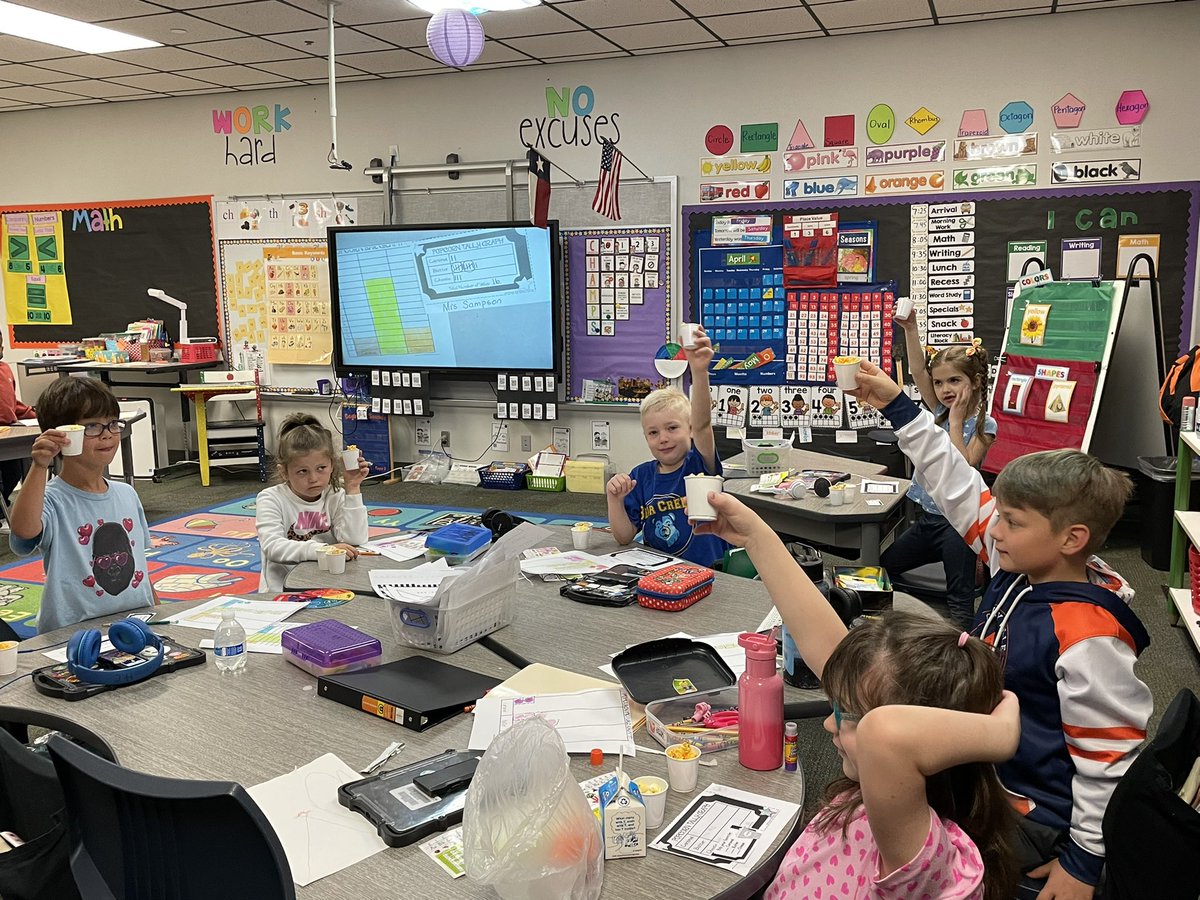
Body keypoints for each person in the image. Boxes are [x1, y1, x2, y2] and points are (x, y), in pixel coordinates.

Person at [847, 359, 1151, 899]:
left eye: (1012, 520)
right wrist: (899, 406)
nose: (995, 527)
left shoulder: (1088, 633)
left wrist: (1083, 861)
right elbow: (957, 483)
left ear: (1071, 538)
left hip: (1038, 820)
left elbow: (1109, 757)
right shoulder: (1022, 561)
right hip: (995, 779)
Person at [695, 492, 1020, 899]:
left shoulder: (921, 858)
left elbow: (883, 733)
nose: (829, 722)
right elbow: (832, 654)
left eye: (848, 715)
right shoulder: (878, 796)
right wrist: (757, 536)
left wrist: (1003, 735)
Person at [10, 377, 157, 633]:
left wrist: (158, 611)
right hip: (72, 631)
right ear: (62, 434)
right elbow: (23, 531)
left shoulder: (126, 494)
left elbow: (140, 568)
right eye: (92, 426)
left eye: (112, 423)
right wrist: (39, 466)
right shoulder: (52, 498)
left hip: (133, 621)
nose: (107, 435)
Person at [887, 323, 997, 629]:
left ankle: (965, 661)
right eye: (939, 383)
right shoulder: (938, 409)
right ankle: (917, 622)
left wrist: (956, 421)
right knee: (887, 567)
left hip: (959, 527)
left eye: (954, 381)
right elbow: (917, 370)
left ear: (975, 381)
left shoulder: (985, 425)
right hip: (929, 520)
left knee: (959, 601)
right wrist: (910, 329)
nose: (945, 389)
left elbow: (962, 469)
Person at [605, 325, 729, 567]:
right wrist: (614, 499)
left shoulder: (698, 464)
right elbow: (623, 537)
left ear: (689, 429)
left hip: (709, 573)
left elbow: (703, 425)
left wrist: (699, 371)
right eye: (653, 432)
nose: (662, 438)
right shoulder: (640, 476)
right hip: (660, 576)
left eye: (672, 428)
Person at [256, 414, 369, 592]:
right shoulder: (271, 498)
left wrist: (353, 488)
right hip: (284, 590)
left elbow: (355, 541)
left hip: (328, 584)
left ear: (332, 465)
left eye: (321, 468)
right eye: (302, 471)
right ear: (284, 472)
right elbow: (273, 547)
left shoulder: (335, 495)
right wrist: (323, 550)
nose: (313, 479)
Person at [0, 347, 36, 527]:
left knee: (14, 472)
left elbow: (11, 404)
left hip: (9, 433)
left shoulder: (5, 368)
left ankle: (3, 505)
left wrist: (31, 413)